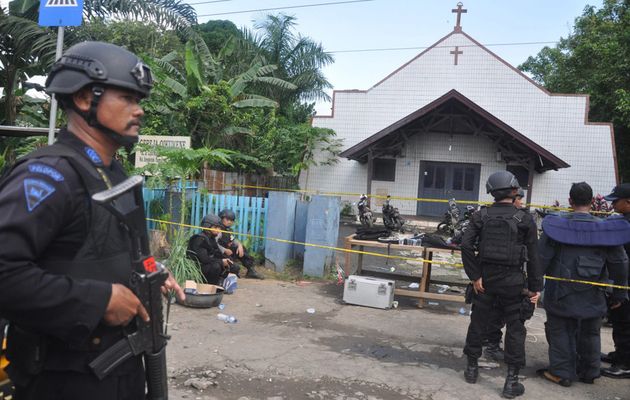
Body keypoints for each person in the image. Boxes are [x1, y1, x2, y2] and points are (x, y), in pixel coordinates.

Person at [0, 41, 184, 399]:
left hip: (118, 375)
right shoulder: (48, 176)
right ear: (86, 99)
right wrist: (98, 300)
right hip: (63, 381)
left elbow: (113, 250)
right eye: (128, 98)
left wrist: (152, 270)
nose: (139, 110)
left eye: (140, 100)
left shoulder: (112, 173)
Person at [537, 182, 629, 386]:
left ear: (570, 201)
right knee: (590, 332)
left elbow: (541, 258)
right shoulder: (606, 231)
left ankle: (561, 372)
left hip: (560, 293)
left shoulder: (556, 227)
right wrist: (619, 294)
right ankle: (590, 372)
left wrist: (533, 285)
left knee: (560, 330)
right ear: (592, 202)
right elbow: (620, 263)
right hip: (594, 293)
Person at [461, 171, 542, 399]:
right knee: (515, 329)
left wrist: (475, 276)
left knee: (478, 322)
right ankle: (511, 382)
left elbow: (466, 245)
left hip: (485, 281)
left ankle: (471, 369)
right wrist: (536, 288)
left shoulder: (480, 215)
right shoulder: (525, 218)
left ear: (491, 192)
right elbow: (534, 256)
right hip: (513, 283)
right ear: (514, 190)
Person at [483, 188, 528, 362]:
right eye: (519, 199)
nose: (521, 203)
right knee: (496, 313)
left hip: (511, 276)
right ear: (512, 198)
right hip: (499, 277)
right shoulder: (490, 216)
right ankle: (492, 345)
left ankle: (494, 345)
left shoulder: (523, 218)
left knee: (509, 317)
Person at [601, 183, 630, 379]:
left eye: (616, 201)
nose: (613, 205)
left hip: (626, 283)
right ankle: (620, 355)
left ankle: (625, 363)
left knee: (624, 323)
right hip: (624, 281)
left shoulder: (626, 226)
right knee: (620, 321)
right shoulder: (625, 221)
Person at [188, 213, 240, 285]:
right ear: (207, 226)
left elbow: (217, 253)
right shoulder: (199, 239)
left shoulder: (211, 238)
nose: (218, 230)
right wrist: (221, 261)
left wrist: (228, 261)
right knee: (216, 266)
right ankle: (211, 285)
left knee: (233, 265)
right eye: (215, 227)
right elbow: (204, 259)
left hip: (208, 264)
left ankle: (220, 281)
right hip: (197, 268)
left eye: (219, 228)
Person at [217, 209, 264, 279]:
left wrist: (239, 245)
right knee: (235, 268)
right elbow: (213, 243)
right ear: (221, 218)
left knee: (241, 248)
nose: (229, 222)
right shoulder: (218, 230)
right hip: (218, 253)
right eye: (227, 219)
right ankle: (228, 273)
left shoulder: (227, 230)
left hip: (227, 252)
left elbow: (233, 239)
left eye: (231, 220)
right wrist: (224, 250)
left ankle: (250, 270)